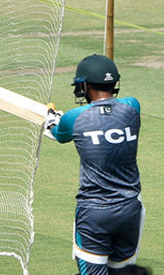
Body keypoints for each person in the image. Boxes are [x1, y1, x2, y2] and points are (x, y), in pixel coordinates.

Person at [45, 54, 144, 275]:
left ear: (86, 85)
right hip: (130, 209)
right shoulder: (132, 108)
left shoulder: (74, 118)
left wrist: (52, 119)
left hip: (94, 213)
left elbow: (57, 133)